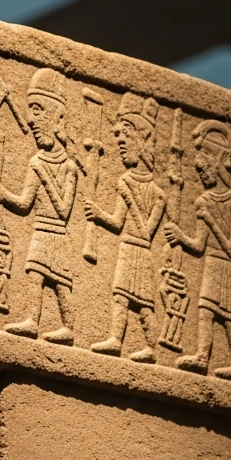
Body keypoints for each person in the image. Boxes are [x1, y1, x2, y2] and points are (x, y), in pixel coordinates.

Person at [0, 68, 80, 344]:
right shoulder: (36, 161)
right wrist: (4, 194)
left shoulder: (69, 167)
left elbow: (64, 210)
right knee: (34, 274)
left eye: (38, 110)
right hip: (40, 230)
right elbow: (25, 203)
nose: (31, 120)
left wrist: (44, 174)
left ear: (58, 118)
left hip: (56, 234)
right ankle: (32, 320)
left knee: (62, 284)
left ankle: (69, 328)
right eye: (30, 111)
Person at [85, 93, 166, 363]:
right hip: (126, 248)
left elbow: (145, 231)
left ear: (143, 139)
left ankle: (153, 347)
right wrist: (97, 214)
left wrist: (130, 195)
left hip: (141, 251)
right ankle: (116, 340)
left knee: (144, 305)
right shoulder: (124, 179)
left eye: (126, 138)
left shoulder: (157, 194)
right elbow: (118, 222)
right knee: (119, 296)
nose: (120, 144)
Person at [163, 119, 231, 380]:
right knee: (205, 310)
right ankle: (202, 356)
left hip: (224, 266)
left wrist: (210, 218)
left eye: (205, 161)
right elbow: (199, 246)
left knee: (230, 320)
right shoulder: (202, 200)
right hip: (210, 263)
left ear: (220, 161)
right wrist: (180, 237)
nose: (199, 168)